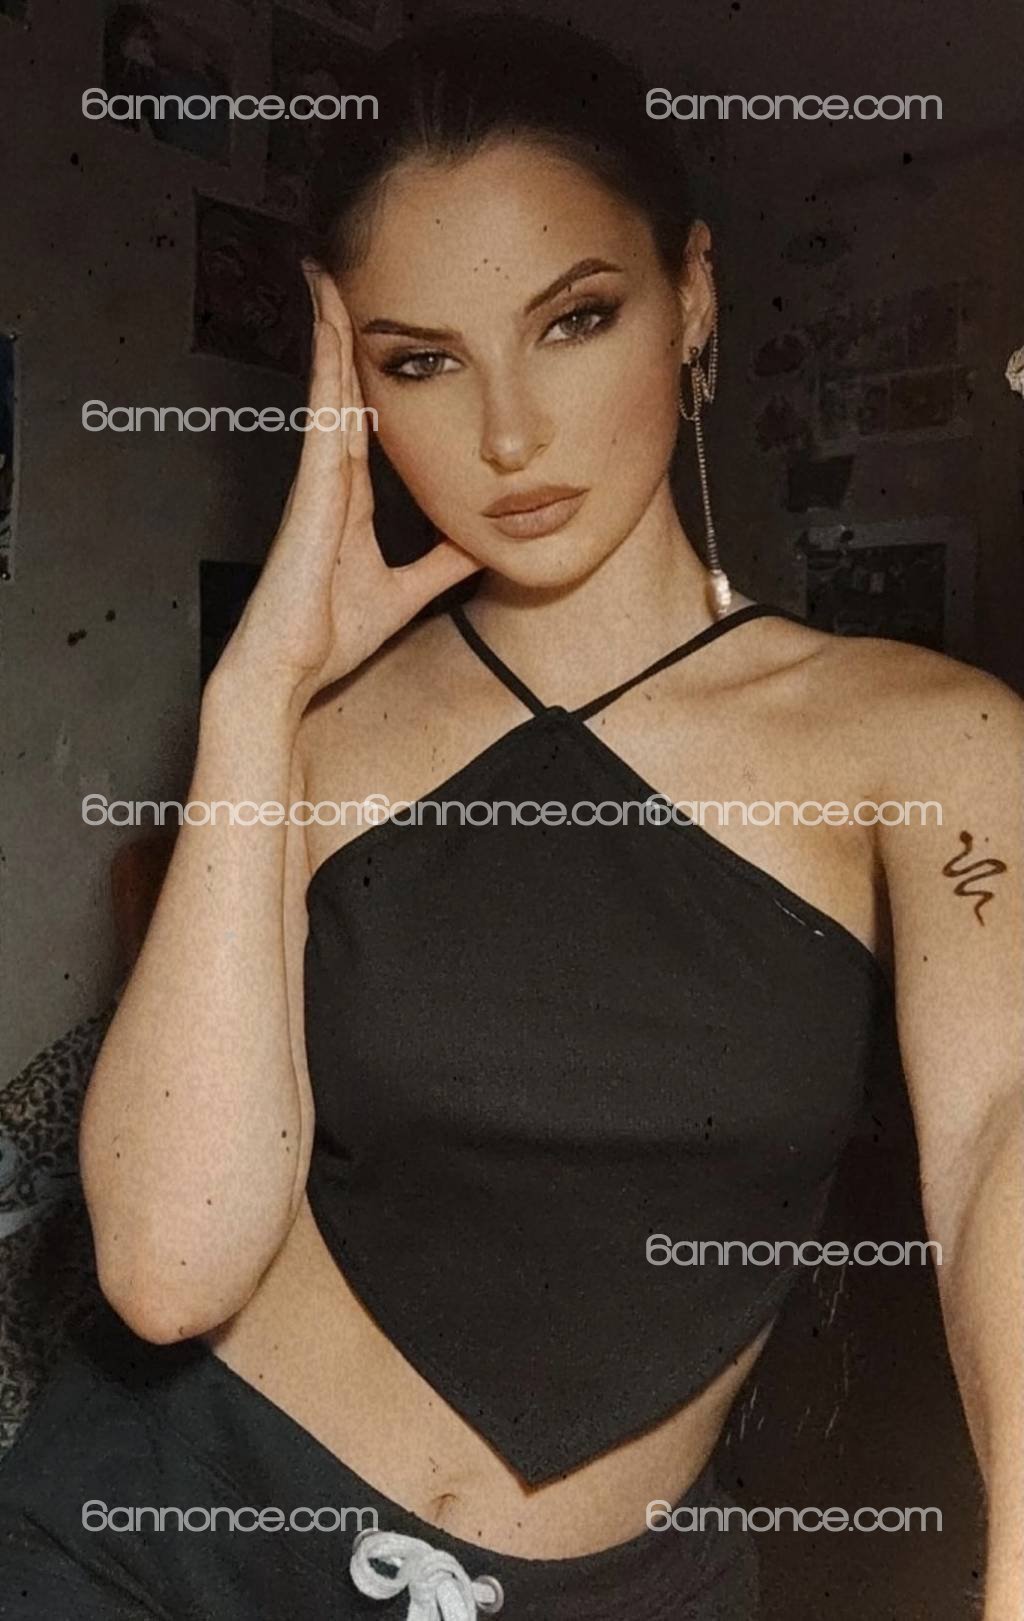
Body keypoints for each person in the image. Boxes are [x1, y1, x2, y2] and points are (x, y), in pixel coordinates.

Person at [1, 15, 1022, 1620]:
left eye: (575, 319)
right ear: (346, 376)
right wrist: (257, 697)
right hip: (150, 1540)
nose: (507, 436)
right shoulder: (312, 726)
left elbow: (1000, 1146)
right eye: (420, 358)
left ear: (694, 294)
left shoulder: (930, 741)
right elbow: (166, 1267)